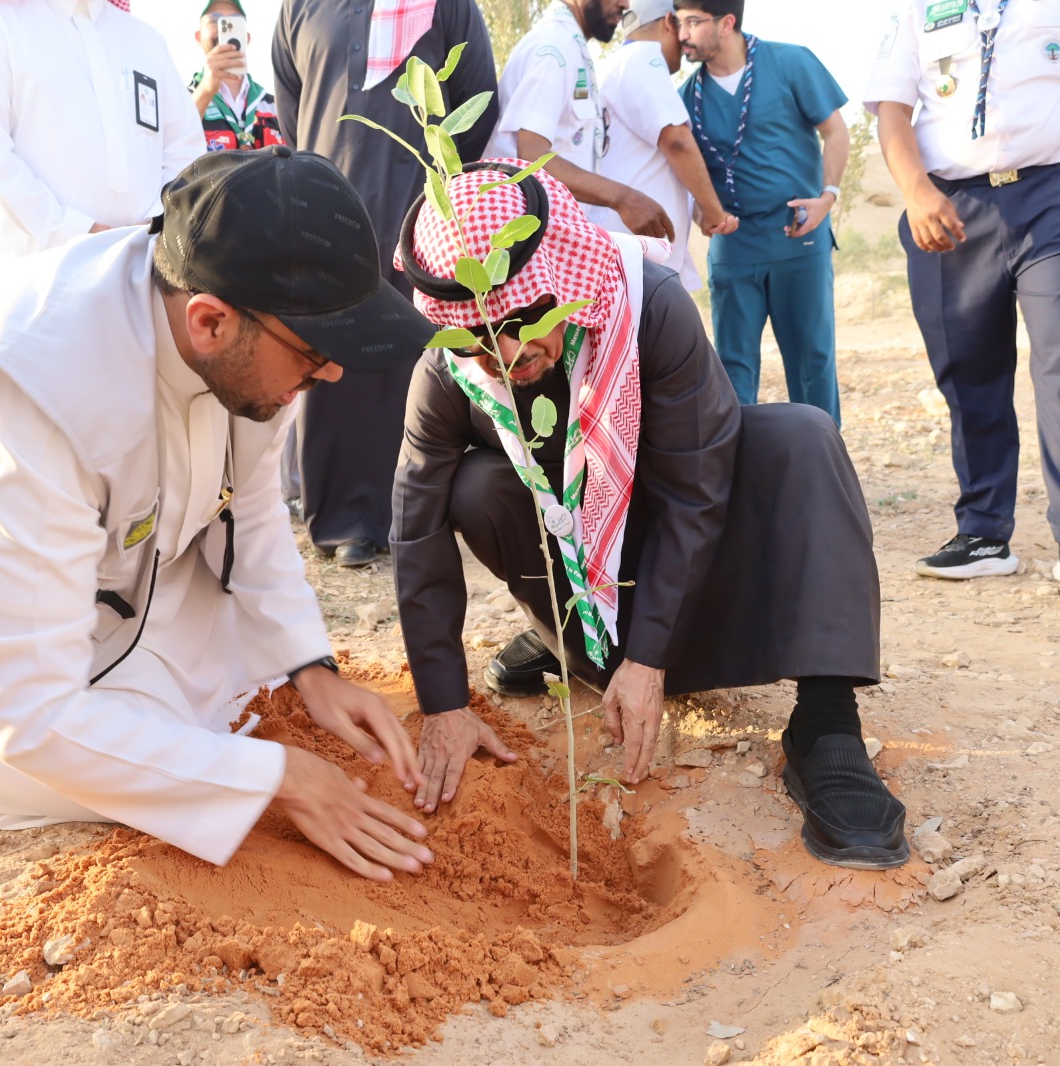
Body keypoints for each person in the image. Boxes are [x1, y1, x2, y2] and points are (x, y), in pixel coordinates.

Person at [0, 148, 439, 883]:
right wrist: (275, 779)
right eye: (318, 351)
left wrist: (310, 668)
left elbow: (246, 505)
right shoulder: (42, 395)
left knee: (210, 719)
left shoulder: (235, 316)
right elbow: (29, 716)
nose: (333, 371)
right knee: (126, 777)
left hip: (90, 567)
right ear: (210, 322)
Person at [390, 162, 908, 870]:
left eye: (520, 322)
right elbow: (415, 525)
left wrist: (651, 656)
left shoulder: (649, 307)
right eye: (478, 339)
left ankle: (827, 727)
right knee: (476, 485)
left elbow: (697, 490)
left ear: (560, 277)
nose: (506, 357)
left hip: (695, 572)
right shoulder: (450, 374)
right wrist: (444, 703)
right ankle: (571, 642)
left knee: (802, 437)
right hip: (588, 599)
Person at [866, 0, 1060, 583]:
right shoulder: (916, 8)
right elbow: (892, 109)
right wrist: (916, 190)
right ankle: (982, 533)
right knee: (967, 364)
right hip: (953, 203)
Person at [272, 0, 499, 567]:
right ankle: (343, 522)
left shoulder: (446, 5)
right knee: (328, 366)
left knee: (411, 370)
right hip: (326, 216)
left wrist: (431, 184)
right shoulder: (300, 7)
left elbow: (478, 101)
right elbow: (293, 113)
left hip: (416, 215)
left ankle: (414, 518)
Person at [674, 0, 849, 425]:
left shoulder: (791, 63)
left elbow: (835, 130)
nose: (682, 35)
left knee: (812, 363)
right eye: (678, 23)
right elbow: (688, 173)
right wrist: (701, 213)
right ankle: (742, 464)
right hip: (733, 249)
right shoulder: (684, 98)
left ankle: (821, 462)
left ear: (726, 23)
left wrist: (827, 196)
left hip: (798, 239)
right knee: (733, 373)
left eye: (693, 22)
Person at [0, 0, 205, 262]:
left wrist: (158, 222)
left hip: (147, 266)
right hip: (40, 272)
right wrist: (73, 231)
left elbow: (185, 144)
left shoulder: (147, 41)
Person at [584, 0, 737, 291]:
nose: (685, 40)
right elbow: (677, 142)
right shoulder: (645, 58)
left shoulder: (617, 63)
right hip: (638, 258)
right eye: (682, 26)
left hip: (623, 252)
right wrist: (715, 212)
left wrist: (698, 211)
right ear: (669, 22)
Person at [489, 0, 674, 239]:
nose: (625, 4)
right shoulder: (554, 46)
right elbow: (532, 156)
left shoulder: (569, 46)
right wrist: (624, 198)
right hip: (516, 237)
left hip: (540, 234)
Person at [190, 0, 286, 152]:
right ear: (198, 37)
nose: (224, 28)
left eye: (235, 21)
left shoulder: (276, 106)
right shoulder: (181, 99)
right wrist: (205, 91)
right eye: (215, 20)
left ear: (247, 37)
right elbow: (172, 143)